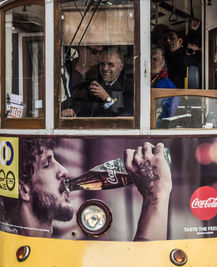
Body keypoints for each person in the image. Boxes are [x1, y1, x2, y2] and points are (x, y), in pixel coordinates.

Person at [0, 138, 172, 241]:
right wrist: (156, 194)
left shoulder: (46, 247)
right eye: (48, 164)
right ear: (24, 190)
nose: (64, 172)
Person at [62, 47, 133, 117]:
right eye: (102, 64)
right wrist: (69, 110)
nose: (105, 68)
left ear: (120, 67)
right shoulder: (93, 83)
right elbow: (76, 102)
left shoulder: (131, 86)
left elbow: (127, 114)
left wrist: (107, 98)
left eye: (110, 64)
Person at [61, 46, 103, 116]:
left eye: (101, 52)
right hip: (67, 122)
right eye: (94, 52)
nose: (99, 56)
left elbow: (106, 104)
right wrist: (62, 111)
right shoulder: (64, 71)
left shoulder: (103, 74)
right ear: (82, 49)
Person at [151, 46, 179, 127]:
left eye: (155, 59)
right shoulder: (141, 82)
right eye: (148, 59)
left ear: (163, 63)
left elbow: (168, 114)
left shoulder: (167, 85)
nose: (150, 62)